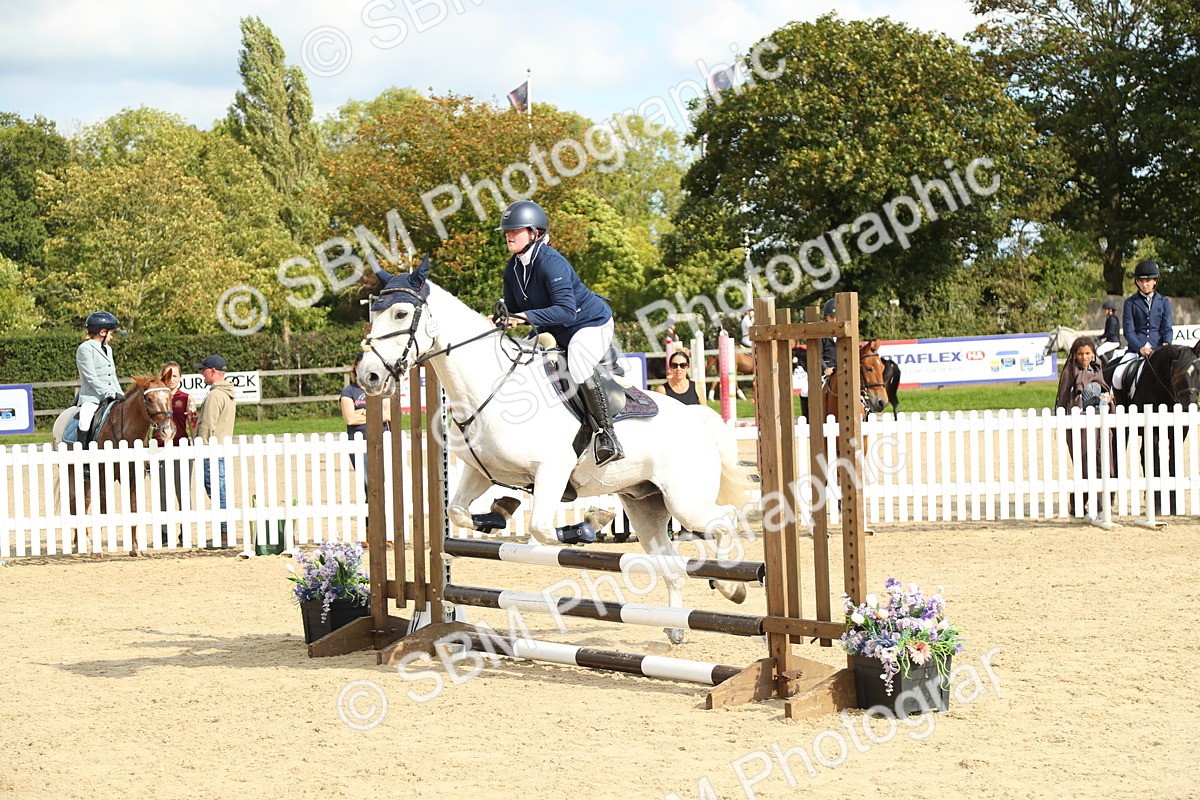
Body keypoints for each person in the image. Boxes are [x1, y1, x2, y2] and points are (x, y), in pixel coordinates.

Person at [497, 199, 623, 465]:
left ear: (535, 232)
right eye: (507, 230)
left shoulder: (551, 262)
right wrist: (499, 319)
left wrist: (523, 317)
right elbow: (511, 310)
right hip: (556, 329)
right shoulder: (514, 268)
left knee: (577, 359)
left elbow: (565, 311)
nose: (509, 234)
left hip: (589, 323)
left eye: (515, 230)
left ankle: (606, 435)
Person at [1055, 336, 1114, 518]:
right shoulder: (1069, 372)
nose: (1084, 357)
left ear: (1093, 354)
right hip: (1078, 424)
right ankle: (1079, 507)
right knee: (1085, 467)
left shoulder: (1098, 369)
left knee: (1104, 465)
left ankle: (1103, 505)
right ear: (1074, 354)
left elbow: (1105, 390)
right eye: (1080, 354)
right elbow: (1063, 396)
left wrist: (1108, 398)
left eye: (1087, 353)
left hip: (1100, 421)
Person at [1113, 259, 1173, 392]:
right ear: (1137, 282)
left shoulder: (1164, 302)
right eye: (1141, 281)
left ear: (1155, 281)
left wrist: (1166, 344)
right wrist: (1140, 348)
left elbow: (1167, 328)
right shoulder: (1130, 302)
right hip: (1136, 350)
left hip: (1157, 349)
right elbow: (1129, 331)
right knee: (1118, 375)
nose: (1144, 284)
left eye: (1148, 281)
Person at [194, 354, 235, 547]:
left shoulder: (215, 395)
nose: (202, 374)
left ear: (212, 371)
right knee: (221, 490)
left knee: (217, 492)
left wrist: (200, 447)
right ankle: (225, 531)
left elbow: (208, 426)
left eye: (203, 370)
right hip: (221, 448)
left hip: (212, 450)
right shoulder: (227, 393)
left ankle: (224, 533)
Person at [155, 361, 197, 545]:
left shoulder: (187, 398)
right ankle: (164, 532)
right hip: (160, 447)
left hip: (181, 446)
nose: (171, 380)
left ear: (180, 377)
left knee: (183, 491)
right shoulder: (156, 397)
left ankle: (185, 531)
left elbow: (192, 423)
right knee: (162, 492)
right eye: (168, 375)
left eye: (175, 376)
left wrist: (195, 443)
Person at [341, 352, 391, 494]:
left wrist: (362, 411)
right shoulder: (349, 391)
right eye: (359, 367)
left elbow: (388, 415)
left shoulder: (382, 389)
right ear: (355, 368)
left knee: (385, 479)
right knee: (367, 482)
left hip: (382, 439)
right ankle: (370, 514)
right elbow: (350, 418)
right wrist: (375, 413)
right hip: (358, 441)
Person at [74, 310, 123, 447]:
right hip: (92, 397)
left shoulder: (108, 349)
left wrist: (121, 394)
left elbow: (112, 376)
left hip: (112, 394)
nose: (111, 337)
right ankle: (82, 457)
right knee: (85, 420)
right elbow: (91, 378)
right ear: (102, 332)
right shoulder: (85, 349)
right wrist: (111, 393)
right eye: (111, 333)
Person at [820, 298, 837, 379]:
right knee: (805, 390)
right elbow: (818, 355)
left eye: (836, 317)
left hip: (844, 370)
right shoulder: (822, 335)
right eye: (831, 317)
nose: (834, 320)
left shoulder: (845, 335)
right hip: (827, 371)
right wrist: (825, 368)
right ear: (826, 317)